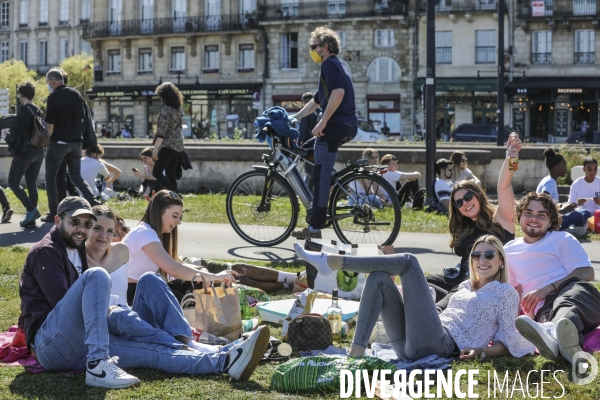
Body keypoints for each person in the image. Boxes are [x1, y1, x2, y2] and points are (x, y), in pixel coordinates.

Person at [18, 197, 271, 388]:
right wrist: (114, 317)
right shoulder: (47, 252)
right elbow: (66, 308)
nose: (82, 229)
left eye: (86, 224)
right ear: (58, 220)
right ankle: (98, 365)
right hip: (52, 344)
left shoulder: (76, 249)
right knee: (99, 282)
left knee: (152, 352)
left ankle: (224, 360)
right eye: (75, 223)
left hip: (84, 340)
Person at [294, 235, 534, 360]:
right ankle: (356, 353)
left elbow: (507, 340)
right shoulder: (464, 287)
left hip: (441, 345)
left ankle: (331, 262)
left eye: (489, 255)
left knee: (409, 262)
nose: (482, 260)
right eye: (477, 255)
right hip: (408, 345)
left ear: (501, 260)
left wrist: (481, 352)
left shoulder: (505, 292)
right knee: (378, 278)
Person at [426, 135, 522, 304]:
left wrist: (511, 156)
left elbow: (504, 186)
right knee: (417, 283)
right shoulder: (464, 226)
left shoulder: (501, 220)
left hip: (480, 284)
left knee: (439, 304)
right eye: (459, 202)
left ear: (478, 195)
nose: (465, 203)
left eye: (468, 196)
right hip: (457, 277)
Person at [506, 192, 600, 363]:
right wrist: (529, 315)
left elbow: (587, 272)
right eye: (528, 213)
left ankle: (554, 332)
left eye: (541, 215)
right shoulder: (508, 250)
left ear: (551, 221)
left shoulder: (561, 239)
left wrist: (548, 288)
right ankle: (562, 341)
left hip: (578, 295)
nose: (534, 218)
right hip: (545, 310)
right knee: (552, 319)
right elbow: (513, 290)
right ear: (519, 216)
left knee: (568, 300)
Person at [290, 26, 357, 240]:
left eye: (313, 47)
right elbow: (317, 100)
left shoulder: (328, 64)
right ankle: (332, 185)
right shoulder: (338, 64)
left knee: (320, 175)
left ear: (324, 48)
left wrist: (323, 122)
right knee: (307, 149)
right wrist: (294, 118)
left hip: (335, 124)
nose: (311, 50)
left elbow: (338, 93)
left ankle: (315, 227)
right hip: (347, 124)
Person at [123, 190, 236, 305]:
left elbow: (179, 264)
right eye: (175, 216)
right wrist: (214, 276)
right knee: (185, 302)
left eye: (180, 217)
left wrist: (202, 271)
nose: (178, 222)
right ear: (158, 212)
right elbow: (174, 269)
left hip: (147, 289)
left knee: (195, 283)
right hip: (133, 295)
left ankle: (199, 315)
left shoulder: (154, 234)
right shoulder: (144, 233)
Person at [43, 68, 97, 222]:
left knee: (51, 177)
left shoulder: (53, 98)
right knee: (75, 176)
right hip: (76, 143)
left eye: (48, 82)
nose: (49, 85)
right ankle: (92, 200)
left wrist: (47, 137)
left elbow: (51, 125)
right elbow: (82, 120)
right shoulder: (76, 94)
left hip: (59, 143)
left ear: (52, 81)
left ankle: (54, 212)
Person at [7, 82, 44, 227]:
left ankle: (31, 210)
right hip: (39, 152)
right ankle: (31, 219)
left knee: (13, 182)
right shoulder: (38, 110)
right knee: (31, 183)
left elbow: (22, 133)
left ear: (21, 95)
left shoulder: (24, 110)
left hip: (26, 152)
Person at [537, 148, 590, 236]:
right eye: (564, 165)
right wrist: (562, 211)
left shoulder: (548, 180)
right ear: (557, 166)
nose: (566, 168)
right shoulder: (550, 182)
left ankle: (569, 229)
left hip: (552, 219)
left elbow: (550, 204)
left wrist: (566, 206)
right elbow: (543, 202)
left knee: (585, 212)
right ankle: (570, 230)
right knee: (578, 215)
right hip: (549, 224)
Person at [152, 82, 185, 192]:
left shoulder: (166, 109)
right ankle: (175, 201)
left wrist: (156, 148)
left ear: (164, 96)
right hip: (178, 145)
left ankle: (176, 195)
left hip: (168, 145)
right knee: (170, 173)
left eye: (160, 96)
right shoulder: (178, 109)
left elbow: (162, 131)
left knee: (156, 172)